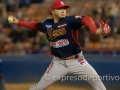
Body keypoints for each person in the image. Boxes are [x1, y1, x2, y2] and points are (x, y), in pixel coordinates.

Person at [8, 0, 111, 90]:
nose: (63, 10)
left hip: (77, 61)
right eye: (60, 9)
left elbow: (86, 19)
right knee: (39, 87)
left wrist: (95, 30)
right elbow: (35, 25)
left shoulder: (70, 21)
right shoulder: (47, 24)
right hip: (58, 63)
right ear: (53, 11)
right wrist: (18, 22)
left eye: (64, 9)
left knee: (97, 82)